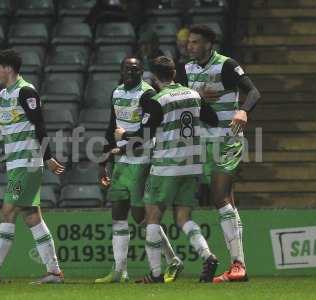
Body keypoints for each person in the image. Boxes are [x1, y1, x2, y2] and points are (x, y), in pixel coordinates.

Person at [114, 56, 219, 283]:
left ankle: (155, 273)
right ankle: (207, 255)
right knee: (183, 218)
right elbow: (213, 119)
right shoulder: (193, 94)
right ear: (174, 74)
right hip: (192, 166)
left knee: (152, 217)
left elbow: (142, 138)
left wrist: (123, 136)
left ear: (153, 76)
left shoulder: (158, 100)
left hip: (166, 165)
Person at [0, 49, 66, 284]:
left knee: (8, 211)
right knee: (32, 216)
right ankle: (54, 272)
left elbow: (39, 123)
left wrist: (47, 156)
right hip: (16, 164)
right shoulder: (3, 94)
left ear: (8, 68)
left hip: (28, 163)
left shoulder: (26, 91)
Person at [95, 57, 183, 284]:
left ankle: (172, 258)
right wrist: (103, 160)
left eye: (136, 69)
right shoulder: (116, 92)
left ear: (142, 72)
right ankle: (120, 271)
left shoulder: (147, 95)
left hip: (141, 161)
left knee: (139, 216)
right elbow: (110, 127)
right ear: (122, 70)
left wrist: (122, 147)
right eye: (128, 69)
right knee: (117, 214)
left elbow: (147, 135)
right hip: (121, 163)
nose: (132, 72)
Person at [185, 25, 261, 282]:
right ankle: (238, 266)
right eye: (189, 42)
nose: (190, 46)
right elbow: (183, 101)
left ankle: (239, 264)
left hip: (227, 138)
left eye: (196, 42)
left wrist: (244, 110)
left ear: (209, 44)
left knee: (219, 197)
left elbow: (253, 91)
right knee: (225, 199)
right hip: (202, 140)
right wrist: (196, 95)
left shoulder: (227, 65)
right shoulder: (188, 69)